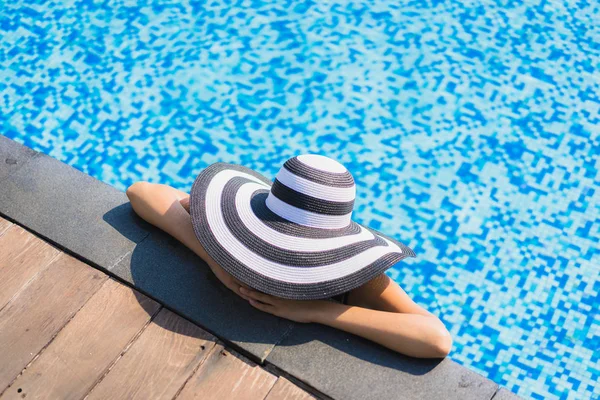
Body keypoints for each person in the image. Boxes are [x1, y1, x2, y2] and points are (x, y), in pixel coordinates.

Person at [126, 154, 452, 358]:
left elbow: (435, 339)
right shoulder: (233, 238)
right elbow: (142, 192)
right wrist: (213, 256)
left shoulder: (355, 278)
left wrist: (315, 311)